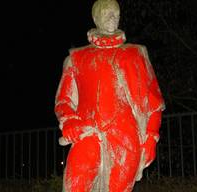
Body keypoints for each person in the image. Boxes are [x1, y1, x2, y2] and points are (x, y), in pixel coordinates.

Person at [55, 0, 165, 191]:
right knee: (74, 186)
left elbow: (153, 103)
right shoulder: (76, 58)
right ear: (95, 18)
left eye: (116, 13)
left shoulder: (136, 53)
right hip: (87, 133)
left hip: (125, 139)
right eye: (107, 13)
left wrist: (150, 139)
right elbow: (63, 100)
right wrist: (70, 121)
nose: (112, 17)